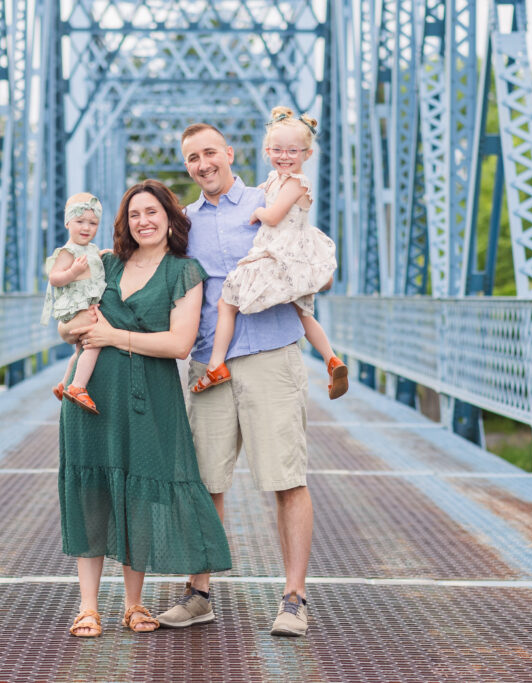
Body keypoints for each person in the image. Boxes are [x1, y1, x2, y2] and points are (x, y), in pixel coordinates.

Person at [155, 121, 316, 638]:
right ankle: (199, 594)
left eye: (210, 153)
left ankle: (294, 599)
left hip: (270, 352)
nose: (203, 165)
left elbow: (314, 260)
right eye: (191, 159)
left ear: (229, 152)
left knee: (286, 479)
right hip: (209, 362)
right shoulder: (183, 224)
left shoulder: (273, 195)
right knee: (206, 483)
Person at [56, 179, 232, 638]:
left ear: (169, 217)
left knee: (140, 494)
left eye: (152, 212)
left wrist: (113, 335)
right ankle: (88, 606)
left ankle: (134, 604)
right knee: (92, 493)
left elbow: (178, 343)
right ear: (124, 223)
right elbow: (65, 321)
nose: (143, 221)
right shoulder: (104, 264)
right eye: (134, 215)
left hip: (150, 396)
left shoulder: (184, 271)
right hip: (91, 393)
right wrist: (76, 327)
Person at [190, 107, 348, 400]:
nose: (284, 156)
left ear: (307, 155)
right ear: (267, 151)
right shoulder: (275, 181)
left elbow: (272, 215)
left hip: (282, 252)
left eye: (293, 151)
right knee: (303, 312)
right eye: (277, 150)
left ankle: (216, 364)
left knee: (228, 302)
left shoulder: (295, 183)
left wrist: (258, 211)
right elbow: (267, 191)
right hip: (289, 250)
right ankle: (332, 359)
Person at [41, 192, 107, 414]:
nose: (86, 227)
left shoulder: (90, 248)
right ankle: (77, 387)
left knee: (80, 351)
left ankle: (64, 383)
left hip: (84, 305)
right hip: (75, 307)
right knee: (94, 342)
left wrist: (102, 255)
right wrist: (73, 271)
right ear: (68, 222)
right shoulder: (67, 251)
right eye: (80, 222)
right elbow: (54, 278)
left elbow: (94, 262)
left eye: (93, 223)